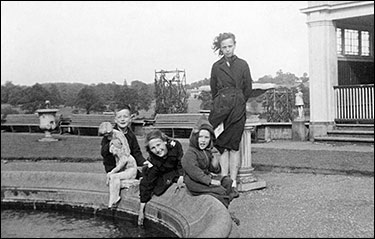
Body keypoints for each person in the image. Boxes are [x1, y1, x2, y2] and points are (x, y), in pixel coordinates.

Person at [208, 32, 252, 189]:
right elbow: (214, 90)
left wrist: (238, 101)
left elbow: (248, 88)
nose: (227, 50)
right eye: (224, 47)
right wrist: (221, 103)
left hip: (237, 108)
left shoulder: (242, 64)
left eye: (230, 46)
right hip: (221, 108)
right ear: (220, 48)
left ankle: (232, 181)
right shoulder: (216, 66)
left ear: (235, 45)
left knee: (233, 146)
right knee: (222, 146)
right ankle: (224, 179)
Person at [181, 119, 239, 210]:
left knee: (228, 181)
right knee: (221, 191)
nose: (203, 140)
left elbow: (212, 169)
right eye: (200, 137)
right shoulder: (190, 153)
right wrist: (210, 181)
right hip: (194, 182)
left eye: (206, 137)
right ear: (195, 138)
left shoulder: (206, 152)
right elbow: (195, 173)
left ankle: (223, 205)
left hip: (205, 178)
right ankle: (221, 208)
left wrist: (215, 164)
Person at [138, 129, 184, 226]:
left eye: (158, 145)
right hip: (163, 173)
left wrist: (181, 175)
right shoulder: (154, 160)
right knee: (157, 189)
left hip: (175, 170)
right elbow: (148, 182)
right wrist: (141, 209)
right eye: (153, 148)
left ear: (164, 141)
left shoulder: (175, 146)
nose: (157, 150)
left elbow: (181, 161)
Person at [100, 106, 149, 177]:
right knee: (118, 182)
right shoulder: (110, 134)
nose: (122, 119)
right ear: (115, 120)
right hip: (113, 166)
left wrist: (144, 163)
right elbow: (103, 152)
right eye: (119, 117)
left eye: (125, 117)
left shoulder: (131, 135)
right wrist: (110, 144)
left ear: (130, 119)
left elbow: (136, 153)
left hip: (127, 165)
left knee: (144, 177)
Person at [101, 125, 138, 208]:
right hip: (126, 171)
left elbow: (119, 167)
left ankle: (114, 199)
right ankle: (113, 200)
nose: (114, 153)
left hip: (131, 172)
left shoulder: (124, 156)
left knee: (114, 177)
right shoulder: (118, 156)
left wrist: (111, 173)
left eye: (115, 150)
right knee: (113, 180)